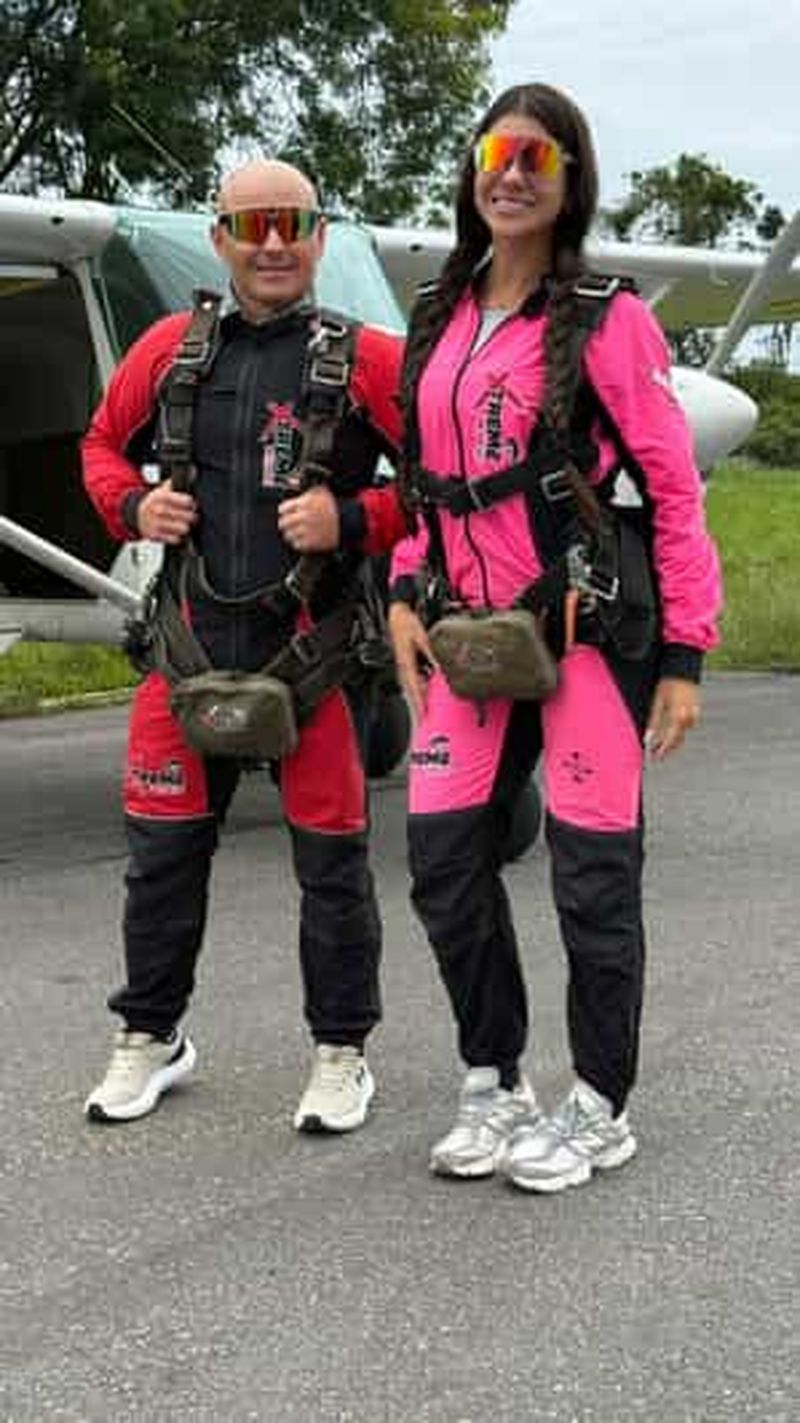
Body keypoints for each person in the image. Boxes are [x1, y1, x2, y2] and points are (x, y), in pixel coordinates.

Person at [387, 83, 722, 1191]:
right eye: (495, 150)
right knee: (442, 865)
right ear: (472, 172)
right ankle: (493, 1078)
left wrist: (683, 656)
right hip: (467, 642)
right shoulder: (439, 312)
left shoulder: (604, 316)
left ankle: (597, 1104)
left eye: (538, 155)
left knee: (589, 877)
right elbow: (424, 486)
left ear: (568, 178)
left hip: (583, 633)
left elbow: (672, 492)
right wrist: (400, 588)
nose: (512, 171)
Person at [82, 158, 408, 1130]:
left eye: (292, 223)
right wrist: (136, 504)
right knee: (161, 860)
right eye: (251, 223)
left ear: (319, 238)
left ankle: (341, 1052)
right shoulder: (169, 349)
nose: (272, 242)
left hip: (309, 664)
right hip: (183, 655)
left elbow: (440, 482)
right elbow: (98, 446)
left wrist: (352, 518)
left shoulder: (369, 361)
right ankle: (151, 1038)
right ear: (219, 238)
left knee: (331, 868)